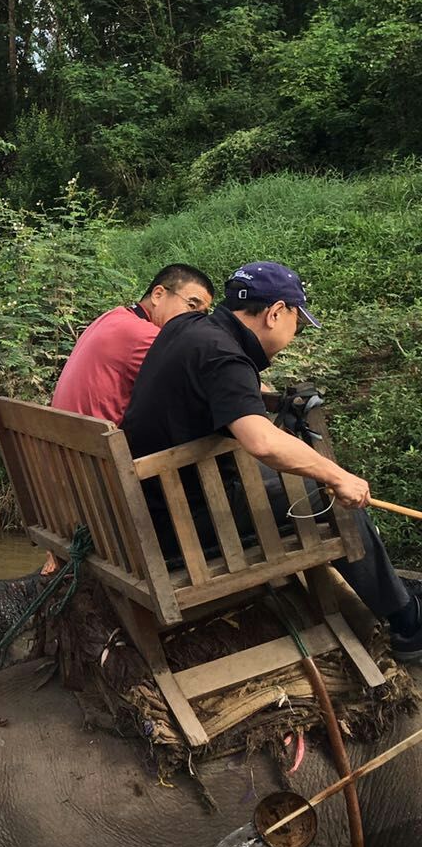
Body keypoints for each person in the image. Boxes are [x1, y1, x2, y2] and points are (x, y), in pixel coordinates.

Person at [121, 261, 422, 662]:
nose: (293, 335)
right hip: (184, 524)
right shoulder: (224, 357)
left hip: (147, 502)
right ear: (275, 312)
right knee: (330, 496)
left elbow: (219, 384)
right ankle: (407, 624)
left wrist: (273, 400)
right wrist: (339, 475)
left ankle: (392, 592)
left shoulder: (187, 328)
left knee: (302, 481)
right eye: (296, 322)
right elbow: (261, 442)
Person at [52, 264, 216, 425]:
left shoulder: (113, 316)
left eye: (201, 315)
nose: (195, 320)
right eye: (191, 306)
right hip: (95, 448)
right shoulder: (145, 335)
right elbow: (199, 391)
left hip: (63, 443)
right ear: (158, 295)